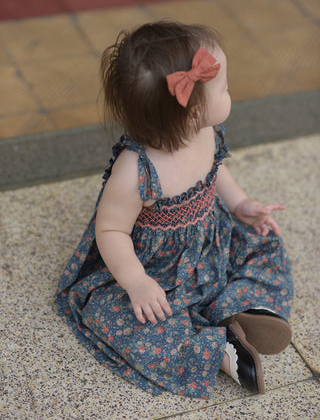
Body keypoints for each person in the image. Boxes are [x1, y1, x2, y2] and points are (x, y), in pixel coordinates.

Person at [55, 21, 294, 399]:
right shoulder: (135, 171)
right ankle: (219, 349)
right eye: (226, 88)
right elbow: (111, 231)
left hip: (209, 243)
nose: (231, 91)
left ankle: (244, 309)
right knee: (123, 319)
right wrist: (136, 282)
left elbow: (218, 171)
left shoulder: (205, 133)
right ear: (193, 111)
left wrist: (240, 203)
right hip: (157, 272)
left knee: (264, 244)